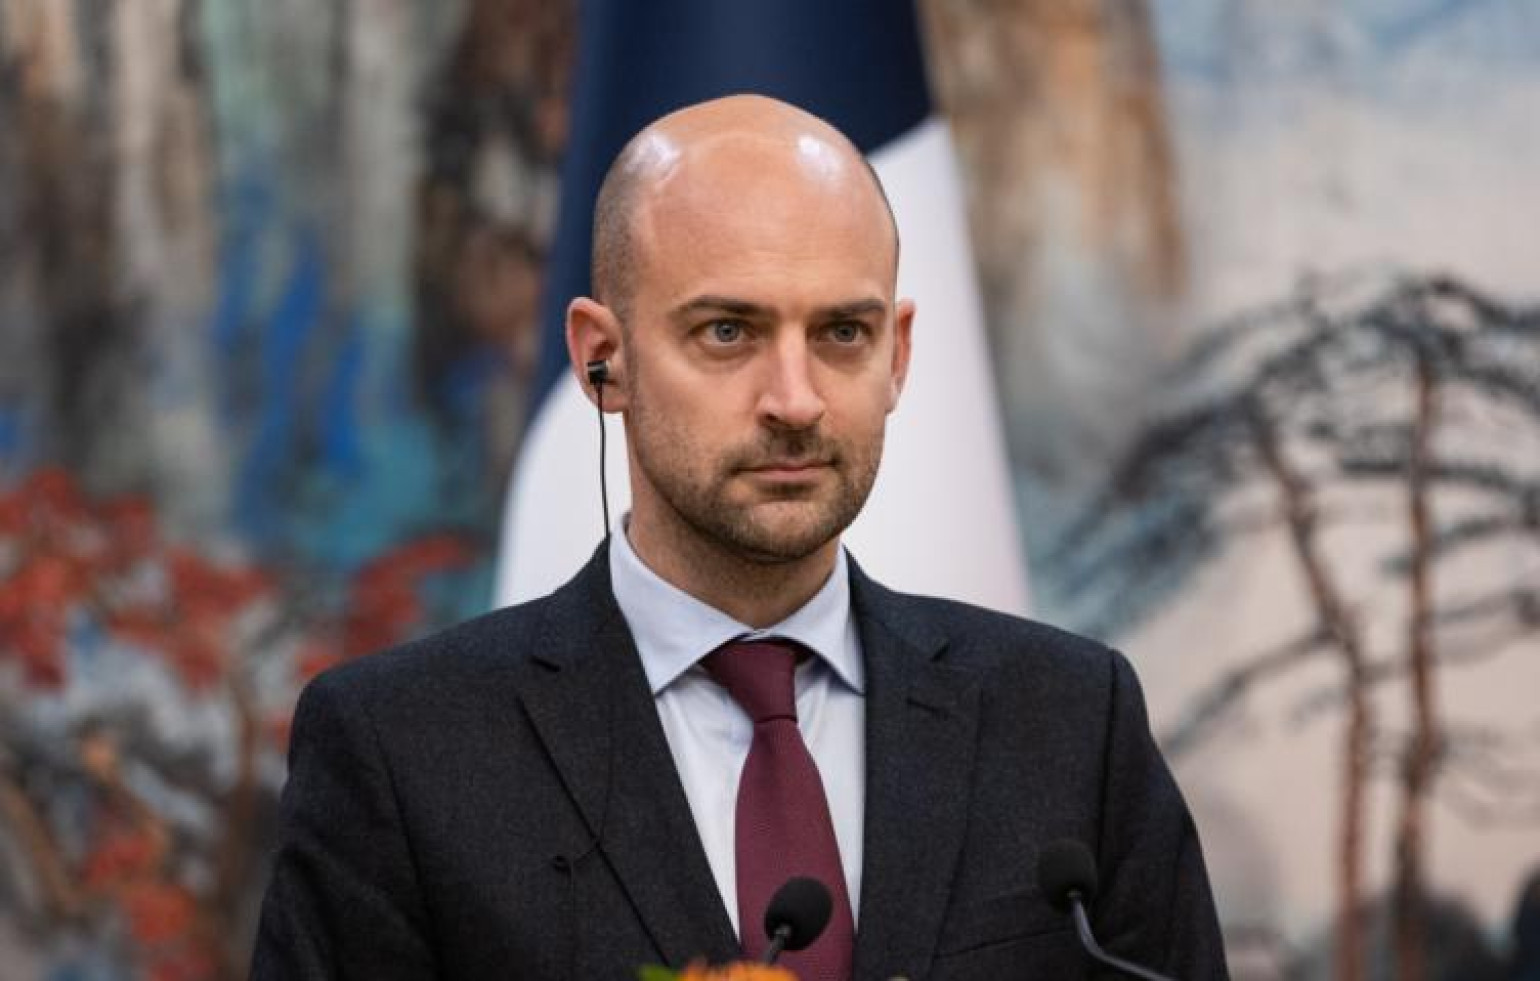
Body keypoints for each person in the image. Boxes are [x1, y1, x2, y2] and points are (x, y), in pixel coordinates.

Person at [250, 94, 1228, 981]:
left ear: (897, 356)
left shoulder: (1069, 721)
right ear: (602, 359)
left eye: (841, 334)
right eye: (727, 332)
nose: (795, 401)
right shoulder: (402, 751)